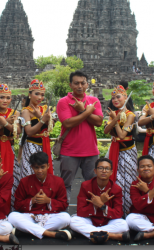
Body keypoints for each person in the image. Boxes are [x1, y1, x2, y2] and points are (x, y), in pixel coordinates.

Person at [56, 71, 103, 205]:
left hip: (91, 151)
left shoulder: (93, 101)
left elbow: (99, 122)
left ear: (87, 84)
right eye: (76, 83)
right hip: (69, 151)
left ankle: (92, 212)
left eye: (83, 83)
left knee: (93, 184)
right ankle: (63, 212)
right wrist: (87, 111)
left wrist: (83, 111)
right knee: (66, 184)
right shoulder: (63, 102)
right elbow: (68, 123)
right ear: (70, 85)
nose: (80, 86)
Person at [8, 152, 71, 241]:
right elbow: (17, 205)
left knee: (66, 218)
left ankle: (27, 231)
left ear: (48, 166)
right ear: (32, 167)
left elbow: (64, 204)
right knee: (12, 216)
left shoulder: (58, 181)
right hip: (30, 217)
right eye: (36, 168)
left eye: (42, 167)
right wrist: (31, 201)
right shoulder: (24, 181)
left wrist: (48, 201)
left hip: (50, 216)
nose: (40, 171)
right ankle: (50, 233)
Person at [70, 158, 130, 244]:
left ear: (111, 172)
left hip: (108, 220)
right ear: (95, 171)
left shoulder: (117, 189)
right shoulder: (85, 185)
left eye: (107, 168)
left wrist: (102, 206)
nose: (104, 171)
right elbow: (80, 211)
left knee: (124, 225)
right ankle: (111, 235)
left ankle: (88, 233)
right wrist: (95, 205)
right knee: (73, 221)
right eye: (101, 168)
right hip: (90, 219)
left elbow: (118, 213)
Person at [104, 85, 137, 215]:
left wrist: (116, 120)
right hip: (114, 149)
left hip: (128, 151)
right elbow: (106, 131)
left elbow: (122, 135)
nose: (115, 100)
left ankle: (128, 210)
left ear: (125, 98)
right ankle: (114, 209)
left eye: (118, 97)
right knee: (115, 179)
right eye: (113, 98)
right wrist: (115, 118)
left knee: (128, 179)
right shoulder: (113, 113)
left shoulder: (130, 115)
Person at [20, 79, 53, 177]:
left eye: (42, 95)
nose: (40, 97)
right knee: (31, 172)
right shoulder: (26, 111)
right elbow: (29, 131)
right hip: (32, 145)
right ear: (30, 94)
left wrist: (39, 116)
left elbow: (51, 126)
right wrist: (42, 120)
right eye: (37, 94)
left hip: (45, 143)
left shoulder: (45, 109)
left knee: (45, 173)